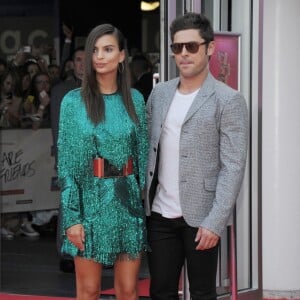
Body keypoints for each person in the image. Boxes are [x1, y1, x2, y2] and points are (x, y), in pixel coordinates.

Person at [145, 12, 249, 300]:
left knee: (203, 293)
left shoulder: (228, 100)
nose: (184, 54)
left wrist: (215, 220)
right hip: (160, 214)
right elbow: (149, 149)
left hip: (202, 216)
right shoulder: (160, 94)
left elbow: (233, 166)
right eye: (177, 47)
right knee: (160, 292)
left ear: (210, 48)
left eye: (191, 46)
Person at [57, 23, 148, 299]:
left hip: (127, 204)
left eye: (108, 49)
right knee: (88, 290)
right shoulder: (74, 102)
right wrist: (72, 218)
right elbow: (67, 163)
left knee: (129, 290)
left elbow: (142, 155)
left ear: (122, 55)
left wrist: (140, 202)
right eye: (94, 50)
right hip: (89, 205)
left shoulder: (135, 99)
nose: (99, 56)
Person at [50, 45, 85, 273]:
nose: (82, 63)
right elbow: (57, 127)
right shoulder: (61, 90)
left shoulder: (104, 87)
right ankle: (66, 253)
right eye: (78, 59)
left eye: (85, 59)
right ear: (73, 63)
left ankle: (98, 250)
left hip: (99, 158)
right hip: (71, 156)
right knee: (69, 205)